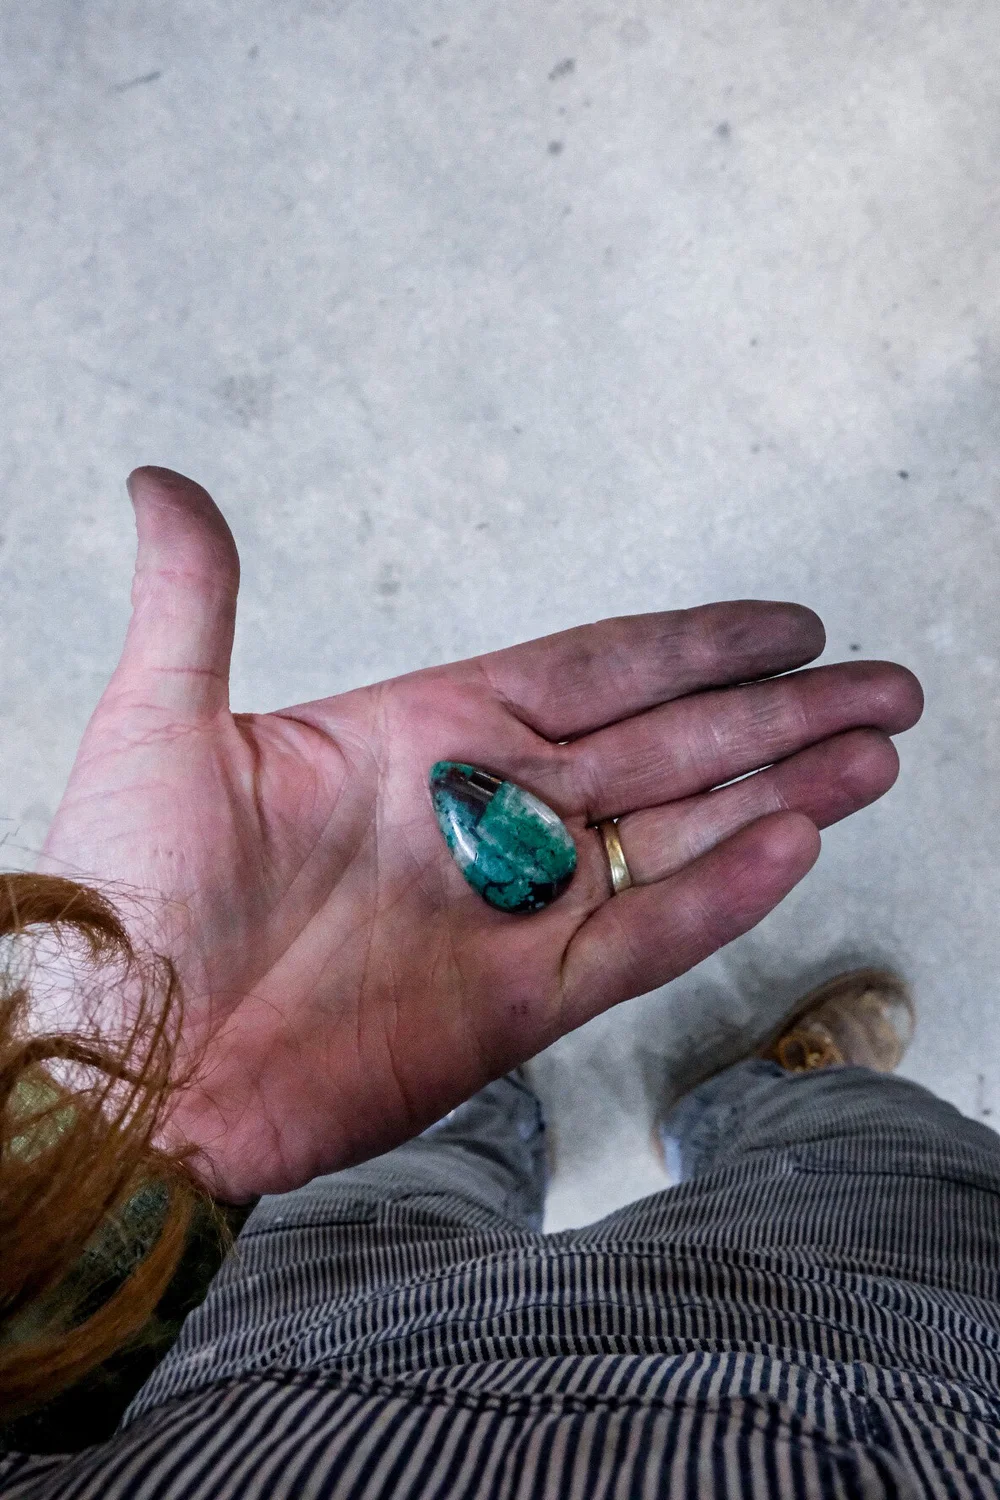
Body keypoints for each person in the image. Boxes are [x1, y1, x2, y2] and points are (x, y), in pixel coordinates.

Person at [0, 467, 996, 1497]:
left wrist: (121, 1135)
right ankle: (782, 1100)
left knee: (393, 1190)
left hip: (275, 1336)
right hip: (909, 1360)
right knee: (891, 1167)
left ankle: (480, 1132)